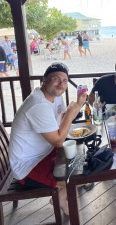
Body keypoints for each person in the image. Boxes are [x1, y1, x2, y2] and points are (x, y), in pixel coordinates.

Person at [9, 62, 87, 215]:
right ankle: (61, 198)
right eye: (56, 79)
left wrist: (77, 105)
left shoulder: (54, 96)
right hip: (28, 167)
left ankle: (60, 195)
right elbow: (58, 140)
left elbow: (62, 119)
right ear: (44, 80)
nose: (61, 84)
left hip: (47, 152)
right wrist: (73, 111)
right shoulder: (38, 104)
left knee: (84, 163)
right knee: (79, 178)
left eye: (65, 80)